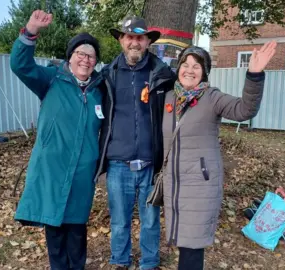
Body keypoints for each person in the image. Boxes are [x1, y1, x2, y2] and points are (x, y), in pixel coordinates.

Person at [161, 43, 276, 270]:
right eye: (185, 64)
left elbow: (244, 110)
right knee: (182, 242)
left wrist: (254, 75)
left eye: (196, 66)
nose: (189, 70)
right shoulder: (168, 99)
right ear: (178, 68)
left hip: (200, 184)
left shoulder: (212, 97)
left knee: (192, 247)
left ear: (204, 72)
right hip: (174, 184)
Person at [10, 10, 108, 270]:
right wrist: (30, 31)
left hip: (82, 171)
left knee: (76, 229)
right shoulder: (52, 79)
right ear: (71, 56)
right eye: (80, 54)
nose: (85, 60)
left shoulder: (100, 90)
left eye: (91, 55)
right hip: (52, 168)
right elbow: (20, 65)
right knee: (54, 226)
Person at [93, 16, 176, 270]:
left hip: (152, 163)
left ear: (148, 42)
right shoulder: (107, 75)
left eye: (139, 38)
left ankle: (149, 262)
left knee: (150, 219)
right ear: (121, 40)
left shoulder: (162, 75)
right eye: (129, 37)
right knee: (119, 220)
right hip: (118, 163)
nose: (134, 43)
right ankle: (120, 260)